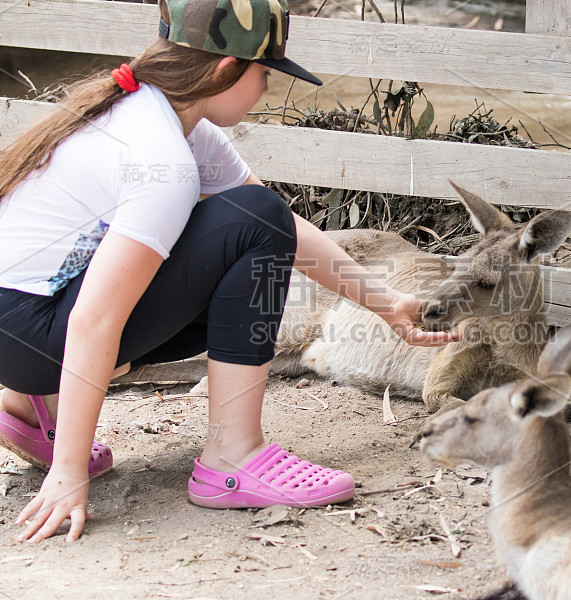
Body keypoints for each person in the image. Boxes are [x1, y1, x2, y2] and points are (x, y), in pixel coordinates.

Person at [0, 0, 458, 544]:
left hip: (23, 327)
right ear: (226, 68)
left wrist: (386, 304)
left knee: (256, 223)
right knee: (253, 225)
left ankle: (32, 408)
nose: (266, 87)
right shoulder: (163, 159)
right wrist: (69, 473)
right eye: (265, 72)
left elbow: (278, 224)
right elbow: (95, 321)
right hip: (35, 334)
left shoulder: (158, 114)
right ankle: (232, 456)